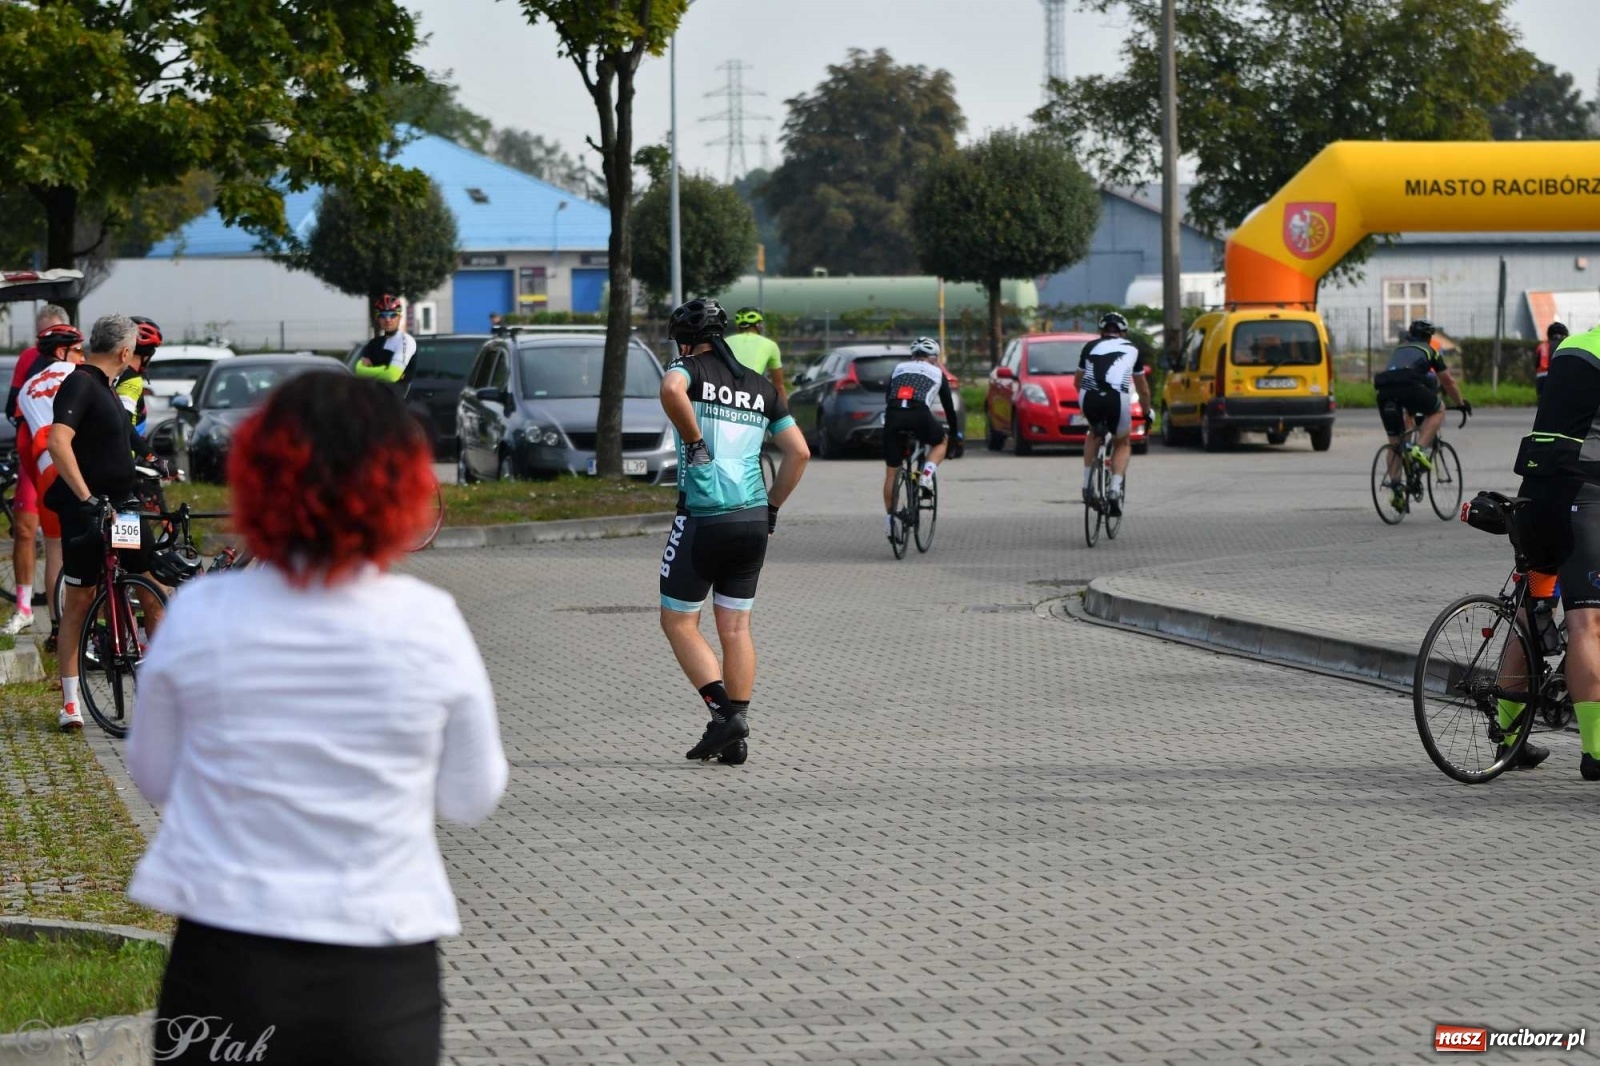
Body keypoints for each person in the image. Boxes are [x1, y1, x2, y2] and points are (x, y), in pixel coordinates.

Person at [125, 371, 506, 1065]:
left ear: (258, 476)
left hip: (226, 960)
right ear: (400, 487)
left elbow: (154, 774)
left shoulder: (200, 615)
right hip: (381, 966)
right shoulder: (428, 623)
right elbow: (471, 795)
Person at [657, 297, 809, 766]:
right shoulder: (762, 386)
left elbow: (670, 390)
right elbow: (799, 453)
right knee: (737, 627)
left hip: (703, 516)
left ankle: (726, 717)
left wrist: (695, 442)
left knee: (679, 621)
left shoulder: (688, 368)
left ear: (686, 340)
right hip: (752, 518)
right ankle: (734, 738)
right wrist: (773, 509)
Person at [45, 314, 158, 732]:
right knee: (79, 599)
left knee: (149, 588)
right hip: (87, 510)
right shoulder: (79, 383)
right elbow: (59, 442)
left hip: (121, 509)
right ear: (125, 352)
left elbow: (119, 434)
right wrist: (85, 497)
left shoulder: (107, 388)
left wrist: (148, 457)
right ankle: (71, 703)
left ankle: (163, 688)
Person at [1502, 322, 1600, 775]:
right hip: (1584, 499)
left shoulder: (1571, 345)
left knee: (1530, 609)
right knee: (1587, 624)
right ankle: (1597, 752)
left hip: (1537, 495)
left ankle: (1507, 736)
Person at [16, 325, 87, 650]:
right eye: (78, 348)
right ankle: (95, 622)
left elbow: (24, 442)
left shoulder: (27, 388)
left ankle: (59, 625)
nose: (82, 355)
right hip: (78, 464)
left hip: (44, 471)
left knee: (55, 549)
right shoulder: (79, 373)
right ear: (63, 351)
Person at [3, 304, 70, 636]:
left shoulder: (78, 363)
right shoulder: (29, 359)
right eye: (39, 334)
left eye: (51, 333)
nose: (44, 340)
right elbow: (11, 407)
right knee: (26, 529)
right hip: (35, 455)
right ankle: (24, 606)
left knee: (70, 535)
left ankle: (76, 612)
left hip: (70, 456)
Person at [1374, 319, 1470, 511]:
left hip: (1383, 390)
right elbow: (1448, 381)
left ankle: (1397, 489)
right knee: (1438, 408)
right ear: (1429, 337)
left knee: (1395, 443)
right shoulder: (1429, 350)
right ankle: (1420, 448)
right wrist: (1460, 403)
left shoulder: (1399, 350)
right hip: (1408, 386)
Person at [881, 337, 960, 539]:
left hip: (893, 416)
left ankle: (890, 521)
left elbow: (888, 396)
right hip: (919, 414)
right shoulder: (937, 373)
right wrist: (954, 434)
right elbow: (949, 408)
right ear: (934, 358)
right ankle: (926, 475)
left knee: (891, 474)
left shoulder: (899, 368)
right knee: (940, 441)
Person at [1075, 312, 1152, 518]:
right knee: (1123, 442)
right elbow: (1143, 390)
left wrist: (1087, 404)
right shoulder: (1132, 349)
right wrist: (1146, 412)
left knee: (1093, 432)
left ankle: (1086, 485)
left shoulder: (1090, 347)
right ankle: (1115, 490)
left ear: (1101, 332)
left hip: (1089, 397)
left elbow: (1077, 382)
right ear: (1123, 333)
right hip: (1116, 398)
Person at [354, 294, 417, 390]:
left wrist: (369, 372)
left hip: (399, 401)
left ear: (400, 317)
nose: (388, 320)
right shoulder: (373, 344)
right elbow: (359, 370)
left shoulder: (406, 341)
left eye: (392, 315)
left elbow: (392, 375)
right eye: (383, 315)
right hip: (374, 399)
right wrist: (383, 370)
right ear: (378, 319)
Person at [725, 306, 786, 402]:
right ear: (759, 326)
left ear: (738, 326)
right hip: (752, 395)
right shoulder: (771, 345)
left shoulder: (725, 342)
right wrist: (786, 415)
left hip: (724, 393)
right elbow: (779, 386)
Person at [115, 316, 162, 441]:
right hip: (125, 457)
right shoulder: (131, 380)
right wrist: (153, 459)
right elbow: (123, 429)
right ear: (147, 356)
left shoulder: (111, 374)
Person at [1534, 321, 1569, 398]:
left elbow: (1536, 365)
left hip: (1542, 378)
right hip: (1560, 376)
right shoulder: (1566, 346)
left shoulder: (1542, 346)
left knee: (1543, 404)